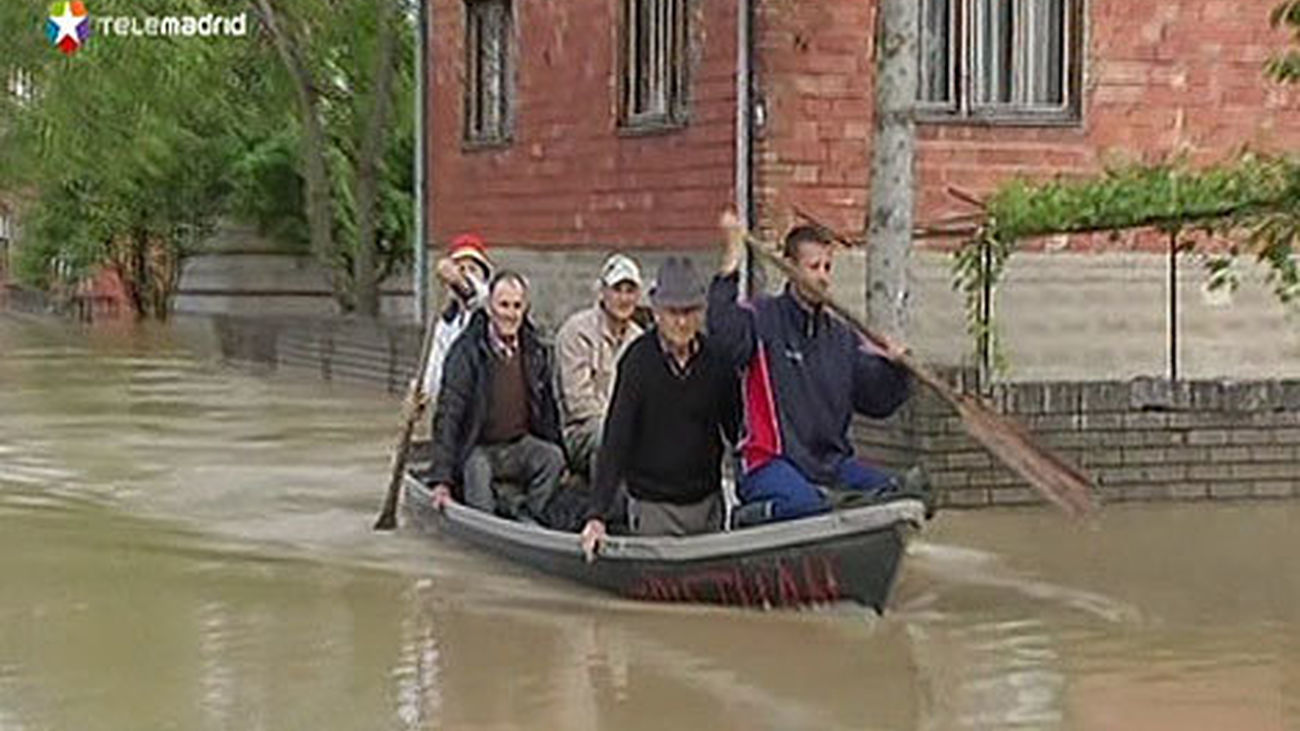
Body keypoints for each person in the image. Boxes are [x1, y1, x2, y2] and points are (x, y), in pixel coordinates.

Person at [707, 217, 913, 523]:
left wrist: (897, 369)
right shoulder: (760, 319)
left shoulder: (843, 337)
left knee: (898, 495)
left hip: (831, 464)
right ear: (790, 267)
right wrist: (731, 262)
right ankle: (750, 517)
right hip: (768, 462)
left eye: (827, 268)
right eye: (813, 267)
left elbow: (877, 402)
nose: (822, 277)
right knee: (809, 507)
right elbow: (722, 336)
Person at [580, 257, 741, 558]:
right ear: (656, 312)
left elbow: (736, 431)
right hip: (654, 509)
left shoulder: (717, 362)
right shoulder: (637, 362)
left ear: (701, 311)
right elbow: (616, 440)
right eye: (673, 312)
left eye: (690, 311)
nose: (681, 322)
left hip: (707, 506)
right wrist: (596, 515)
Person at [427, 271, 566, 524]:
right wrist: (441, 480)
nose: (510, 314)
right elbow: (449, 415)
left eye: (516, 306)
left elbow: (548, 409)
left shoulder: (535, 351)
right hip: (477, 448)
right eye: (503, 305)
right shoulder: (466, 352)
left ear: (525, 309)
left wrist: (565, 460)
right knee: (478, 478)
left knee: (552, 458)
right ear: (490, 307)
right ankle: (489, 525)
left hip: (519, 445)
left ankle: (527, 515)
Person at [555, 254, 645, 487]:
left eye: (630, 290)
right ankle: (605, 515)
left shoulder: (640, 340)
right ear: (603, 292)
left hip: (626, 429)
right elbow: (578, 404)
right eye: (617, 290)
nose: (624, 298)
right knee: (609, 436)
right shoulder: (576, 332)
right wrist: (623, 425)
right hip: (581, 432)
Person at [422, 233, 493, 400]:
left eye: (473, 269)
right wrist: (424, 391)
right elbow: (435, 368)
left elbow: (476, 294)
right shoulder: (446, 324)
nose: (466, 274)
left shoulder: (490, 310)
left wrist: (459, 279)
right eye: (461, 269)